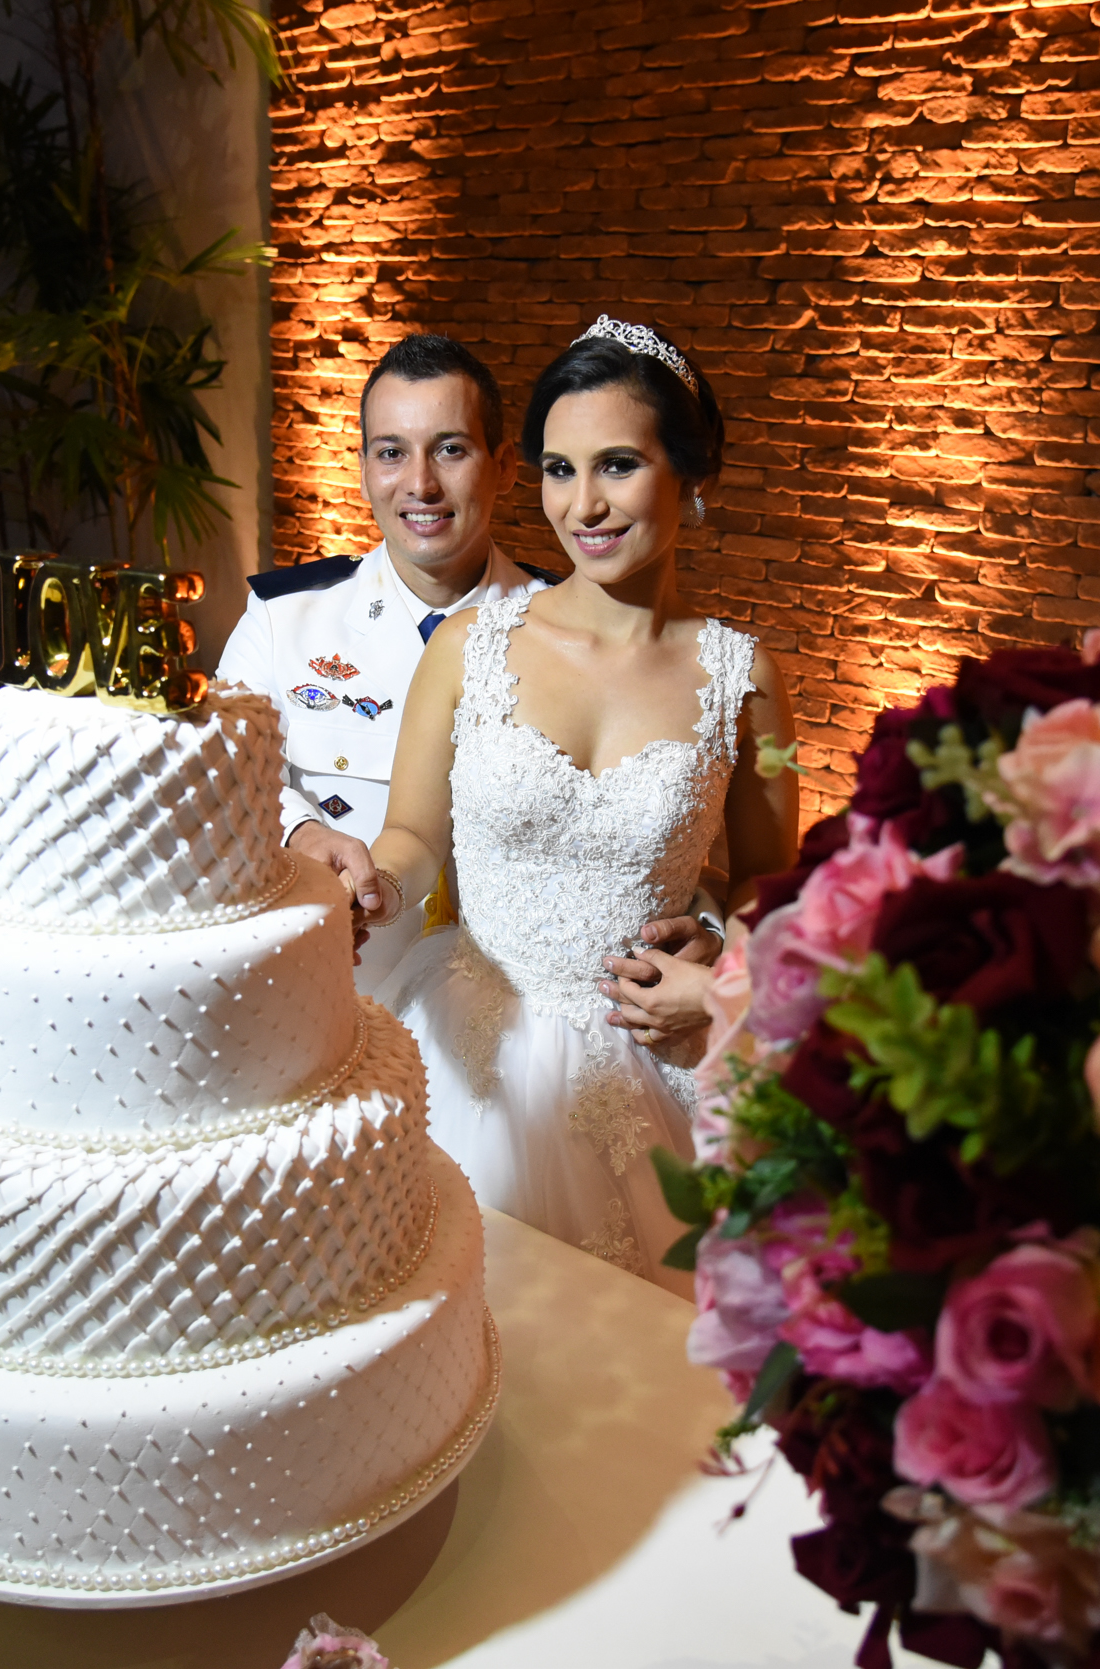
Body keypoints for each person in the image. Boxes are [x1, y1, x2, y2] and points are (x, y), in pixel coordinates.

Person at [365, 318, 800, 1292]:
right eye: (559, 470)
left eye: (617, 466)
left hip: (650, 1060)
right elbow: (412, 836)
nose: (583, 505)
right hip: (470, 1047)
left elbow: (772, 891)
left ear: (692, 473)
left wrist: (719, 973)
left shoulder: (744, 677)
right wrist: (373, 887)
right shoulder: (469, 647)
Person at [217, 334, 555, 991]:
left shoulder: (567, 627)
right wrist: (299, 831)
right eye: (392, 452)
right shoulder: (285, 617)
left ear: (504, 466)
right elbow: (221, 770)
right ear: (365, 468)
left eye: (450, 449)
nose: (420, 484)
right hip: (337, 990)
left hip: (519, 1010)